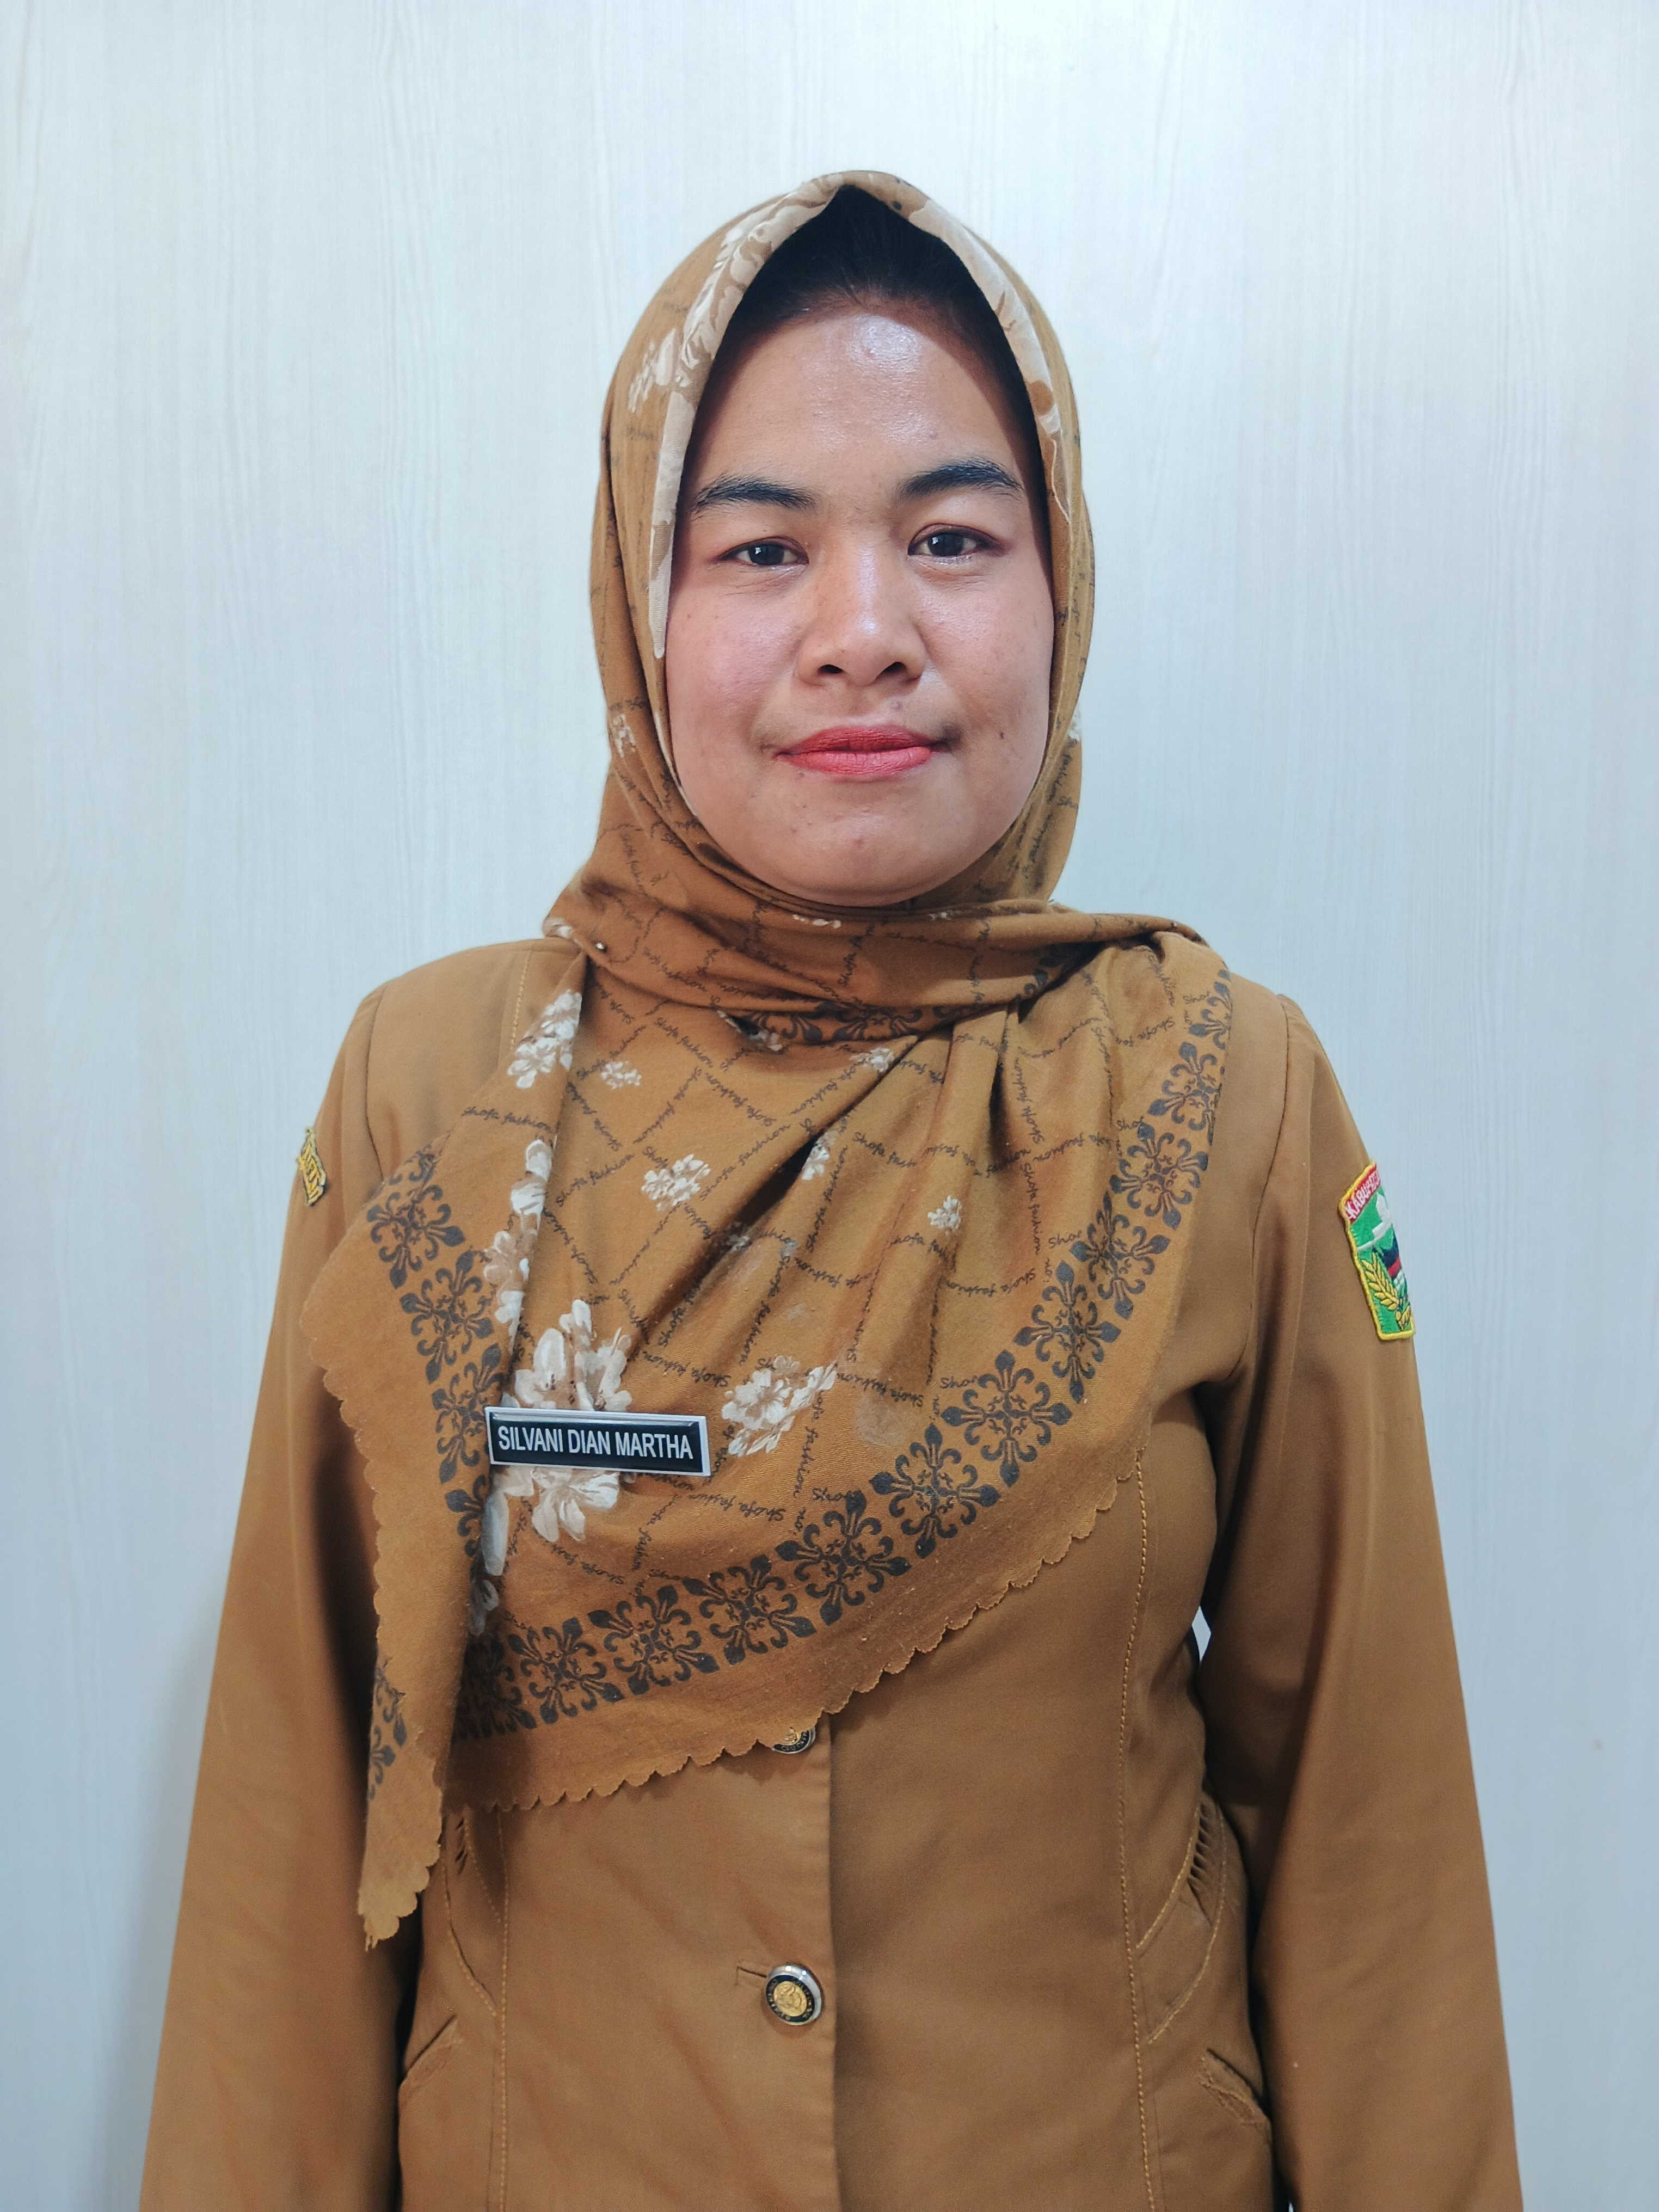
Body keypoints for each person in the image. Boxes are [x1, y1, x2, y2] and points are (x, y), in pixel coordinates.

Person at [142, 173, 1521, 2210]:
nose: (863, 633)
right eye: (763, 548)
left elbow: (1364, 1816)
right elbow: (298, 1778)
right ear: (644, 598)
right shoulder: (430, 1097)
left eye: (951, 539)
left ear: (1060, 587)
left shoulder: (1227, 1092)